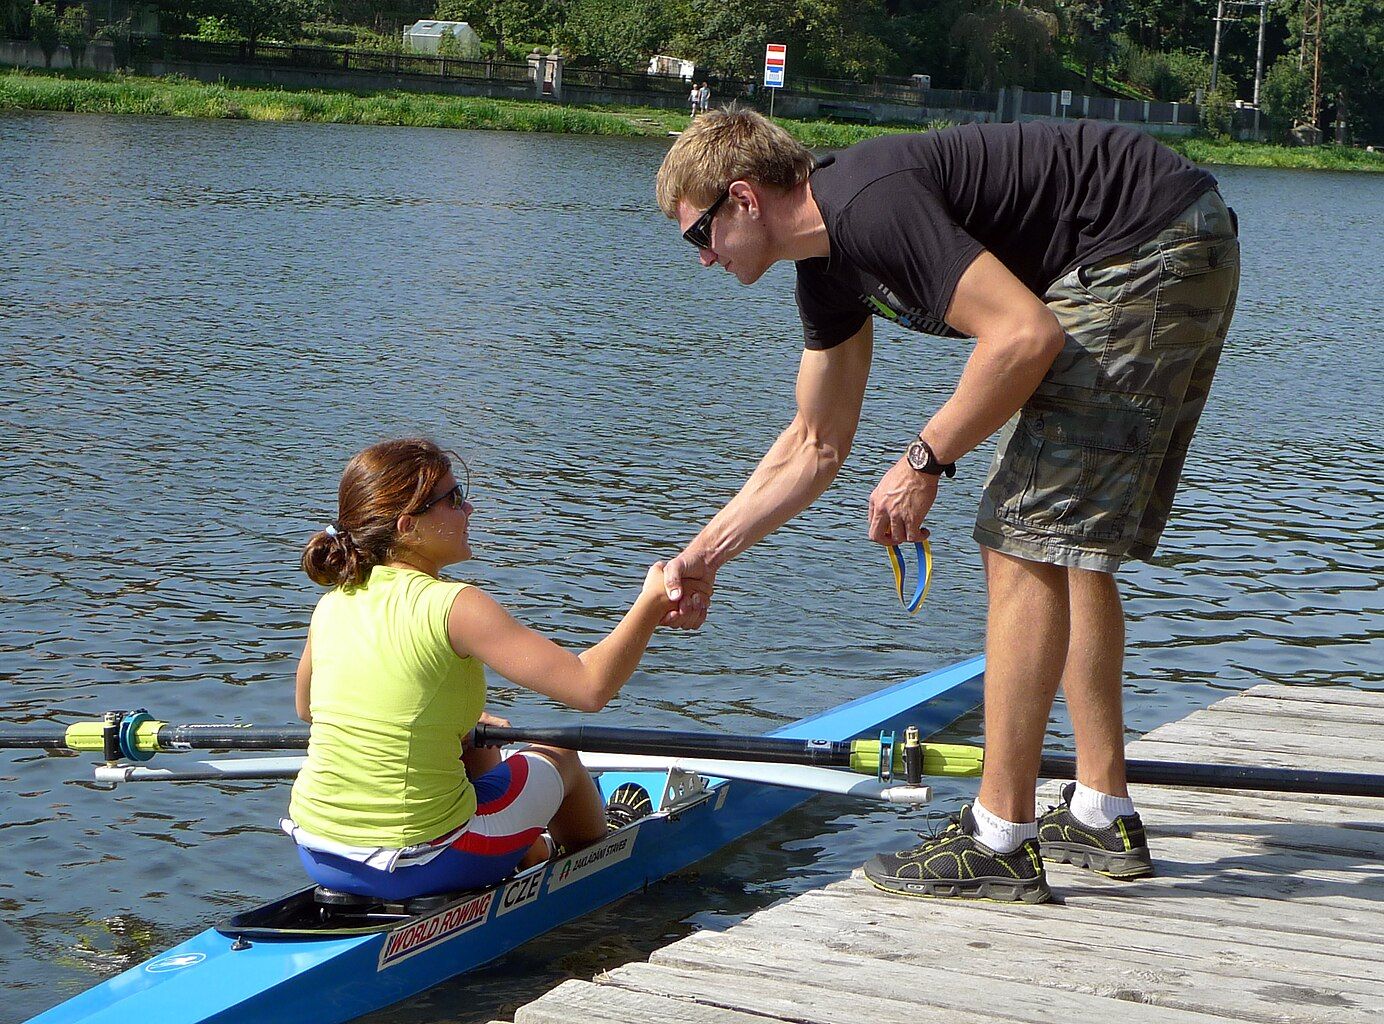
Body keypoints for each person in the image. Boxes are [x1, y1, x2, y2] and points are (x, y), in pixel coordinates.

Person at [654, 109, 1239, 903]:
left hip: (1142, 243)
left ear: (745, 198)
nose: (701, 261)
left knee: (1020, 538)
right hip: (1171, 234)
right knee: (1058, 536)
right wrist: (703, 557)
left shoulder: (868, 204)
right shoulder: (827, 269)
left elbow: (1022, 336)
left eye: (699, 236)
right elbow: (815, 443)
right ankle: (1101, 810)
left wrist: (924, 459)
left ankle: (1001, 835)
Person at [284, 438, 671, 899]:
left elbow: (307, 709)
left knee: (476, 746)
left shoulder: (332, 603)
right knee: (559, 754)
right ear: (408, 526)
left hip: (318, 849)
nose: (468, 508)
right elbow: (589, 688)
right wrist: (652, 603)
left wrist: (451, 723)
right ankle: (591, 868)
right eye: (453, 498)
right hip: (420, 862)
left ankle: (528, 851)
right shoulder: (454, 606)